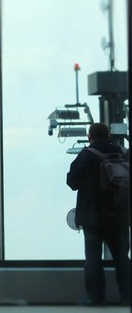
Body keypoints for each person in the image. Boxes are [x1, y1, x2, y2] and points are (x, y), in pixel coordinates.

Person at [66, 122, 130, 306]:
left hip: (93, 216)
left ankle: (96, 297)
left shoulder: (87, 155)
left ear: (89, 137)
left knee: (93, 257)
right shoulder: (123, 153)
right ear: (109, 135)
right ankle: (127, 296)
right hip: (120, 214)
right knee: (122, 257)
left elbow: (72, 182)